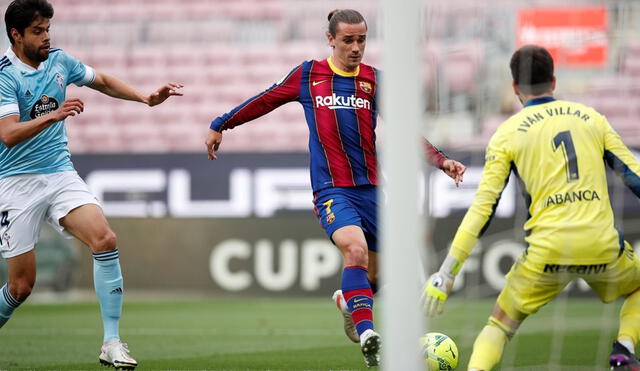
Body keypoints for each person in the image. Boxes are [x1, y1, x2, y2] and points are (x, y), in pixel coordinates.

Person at [205, 8, 466, 367]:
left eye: (361, 39)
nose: (356, 47)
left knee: (383, 273)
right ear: (331, 39)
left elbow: (405, 129)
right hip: (332, 190)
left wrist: (441, 161)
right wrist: (222, 123)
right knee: (354, 252)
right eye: (348, 40)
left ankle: (349, 303)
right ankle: (369, 335)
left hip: (372, 190)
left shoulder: (375, 80)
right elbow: (265, 99)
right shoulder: (308, 74)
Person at [423, 44, 640, 371]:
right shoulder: (592, 119)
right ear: (553, 80)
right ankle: (624, 348)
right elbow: (634, 178)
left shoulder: (507, 133)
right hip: (600, 244)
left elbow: (483, 210)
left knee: (498, 325)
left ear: (514, 87)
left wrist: (446, 272)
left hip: (546, 251)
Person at [0, 0, 183, 369]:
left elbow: (101, 81)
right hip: (15, 182)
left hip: (59, 173)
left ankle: (111, 341)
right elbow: (7, 134)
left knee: (105, 239)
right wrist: (55, 114)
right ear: (16, 35)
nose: (47, 37)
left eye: (48, 28)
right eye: (38, 31)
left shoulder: (60, 61)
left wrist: (145, 98)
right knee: (21, 287)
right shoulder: (5, 75)